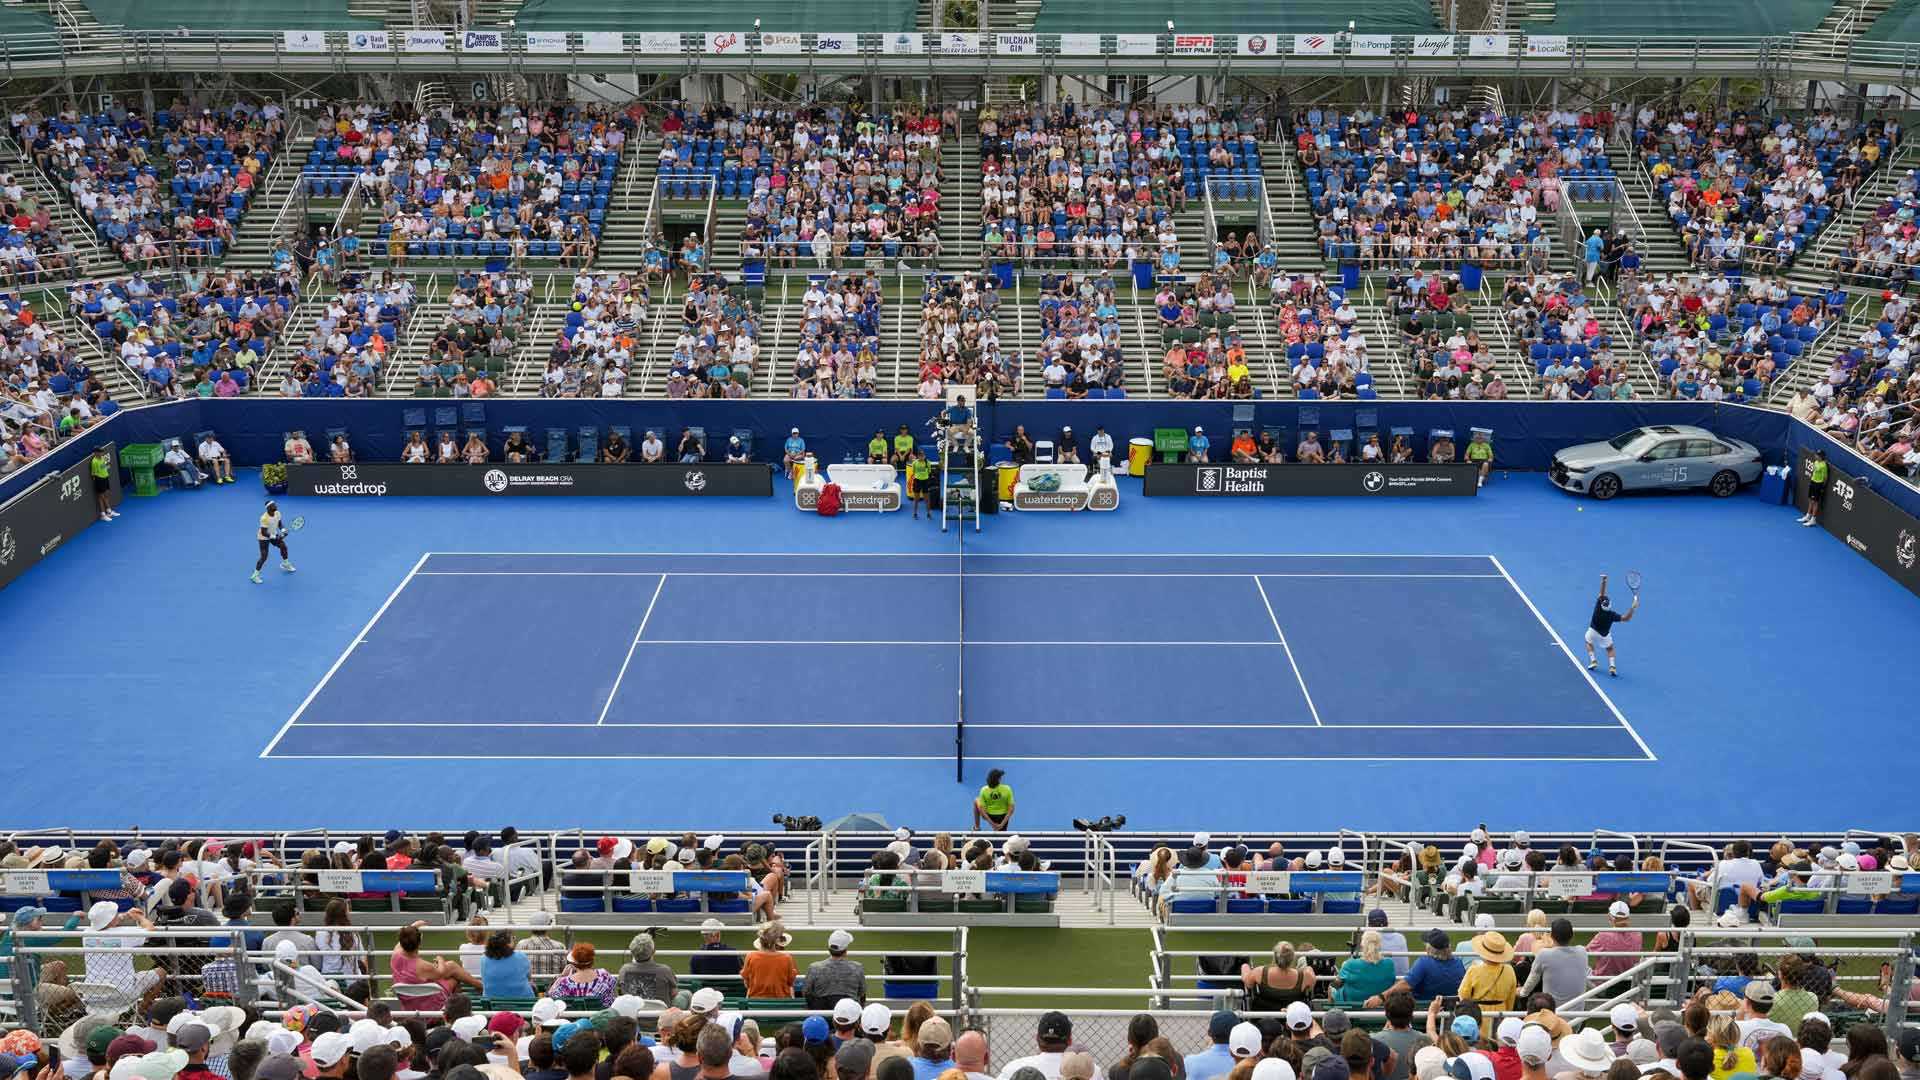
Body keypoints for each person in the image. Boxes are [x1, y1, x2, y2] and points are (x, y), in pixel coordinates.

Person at [1583, 574, 1637, 677]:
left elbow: (1601, 593)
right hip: (1604, 636)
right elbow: (1626, 618)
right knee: (1610, 649)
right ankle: (1612, 667)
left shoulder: (1598, 608)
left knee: (1588, 642)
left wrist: (1604, 580)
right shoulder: (1612, 615)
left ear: (1602, 604)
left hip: (1592, 632)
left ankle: (1593, 660)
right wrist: (1633, 608)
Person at [803, 929, 866, 1009]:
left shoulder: (814, 968)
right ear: (845, 950)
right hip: (849, 1013)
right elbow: (862, 993)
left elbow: (806, 992)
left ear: (829, 948)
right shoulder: (857, 968)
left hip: (822, 1014)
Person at [252, 500, 295, 585]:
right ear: (268, 508)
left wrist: (283, 530)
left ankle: (285, 563)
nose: (275, 506)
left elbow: (279, 524)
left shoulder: (277, 513)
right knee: (264, 556)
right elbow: (264, 532)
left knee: (283, 546)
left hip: (273, 534)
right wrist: (275, 536)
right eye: (273, 505)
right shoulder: (264, 518)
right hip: (263, 537)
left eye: (275, 504)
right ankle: (255, 575)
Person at [1800, 450, 1829, 526]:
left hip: (1818, 484)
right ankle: (1807, 516)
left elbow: (1825, 478)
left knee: (1815, 502)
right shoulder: (1816, 462)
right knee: (1810, 500)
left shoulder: (1824, 465)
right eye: (1816, 454)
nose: (1815, 456)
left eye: (1817, 455)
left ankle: (1813, 520)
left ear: (1821, 457)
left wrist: (1822, 487)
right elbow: (1814, 472)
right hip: (1813, 482)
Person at [90, 445, 118, 523]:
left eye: (101, 451)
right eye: (99, 452)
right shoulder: (94, 462)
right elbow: (93, 474)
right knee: (101, 497)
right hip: (99, 480)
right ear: (95, 453)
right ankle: (103, 515)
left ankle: (109, 511)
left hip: (105, 478)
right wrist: (97, 482)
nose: (101, 453)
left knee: (106, 495)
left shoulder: (102, 458)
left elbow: (104, 467)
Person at [907, 449, 933, 520]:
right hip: (917, 481)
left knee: (927, 499)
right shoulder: (914, 463)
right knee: (916, 499)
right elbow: (914, 472)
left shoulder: (927, 463)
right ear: (918, 456)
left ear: (924, 456)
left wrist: (924, 477)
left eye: (923, 456)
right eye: (920, 456)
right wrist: (919, 476)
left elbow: (929, 472)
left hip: (925, 481)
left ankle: (928, 513)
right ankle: (915, 513)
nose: (922, 457)